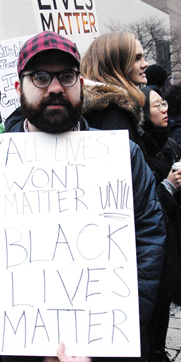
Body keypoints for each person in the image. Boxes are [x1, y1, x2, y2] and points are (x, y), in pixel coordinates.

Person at [0, 31, 165, 362]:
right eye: (39, 76)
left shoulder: (125, 155)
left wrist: (114, 332)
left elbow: (149, 239)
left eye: (66, 76)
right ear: (17, 87)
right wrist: (28, 342)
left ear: (80, 83)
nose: (54, 87)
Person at [139, 87, 181, 362]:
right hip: (157, 250)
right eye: (157, 105)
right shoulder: (140, 152)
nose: (164, 109)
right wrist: (168, 185)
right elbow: (147, 201)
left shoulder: (169, 144)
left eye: (164, 103)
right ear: (143, 113)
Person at [80, 31, 148, 149]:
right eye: (136, 58)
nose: (145, 64)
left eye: (142, 57)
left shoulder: (109, 108)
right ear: (113, 63)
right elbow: (123, 165)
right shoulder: (114, 113)